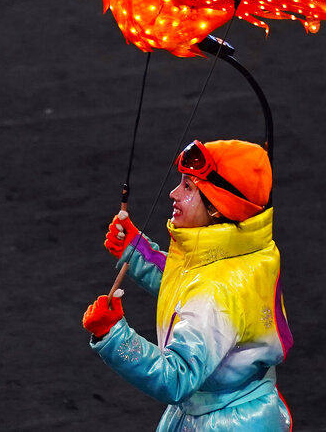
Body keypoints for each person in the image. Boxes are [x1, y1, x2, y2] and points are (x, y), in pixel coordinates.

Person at [82, 139, 293, 431]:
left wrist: (114, 335)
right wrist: (137, 250)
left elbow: (176, 378)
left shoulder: (215, 293)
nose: (173, 193)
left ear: (219, 207)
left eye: (189, 188)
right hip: (240, 409)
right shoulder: (247, 250)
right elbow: (187, 283)